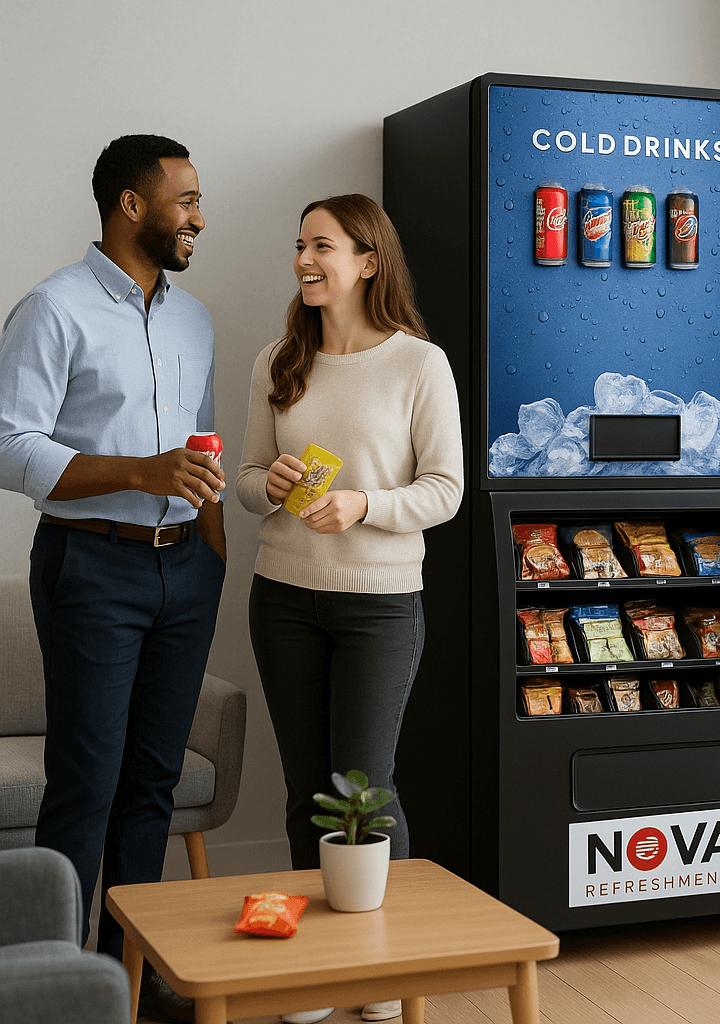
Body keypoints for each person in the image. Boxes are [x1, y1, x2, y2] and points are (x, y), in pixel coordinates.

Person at [0, 134, 226, 1023]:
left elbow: (199, 452)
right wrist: (142, 471)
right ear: (131, 205)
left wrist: (212, 553)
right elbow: (9, 445)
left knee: (152, 784)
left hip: (185, 574)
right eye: (187, 200)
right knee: (86, 781)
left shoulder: (194, 318)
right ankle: (47, 987)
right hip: (90, 566)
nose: (200, 218)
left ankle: (133, 975)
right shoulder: (51, 308)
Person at [236, 194, 463, 1024]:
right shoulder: (276, 360)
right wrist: (276, 486)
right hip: (285, 599)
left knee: (363, 791)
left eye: (321, 245)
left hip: (379, 607)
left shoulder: (418, 364)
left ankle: (381, 968)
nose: (304, 258)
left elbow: (446, 489)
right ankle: (320, 974)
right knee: (305, 793)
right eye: (299, 244)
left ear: (368, 260)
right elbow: (247, 479)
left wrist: (363, 505)